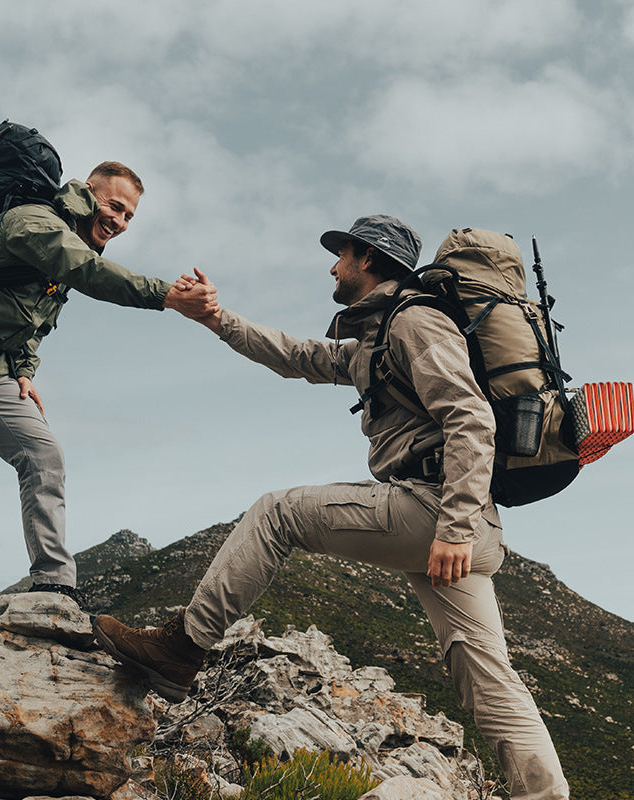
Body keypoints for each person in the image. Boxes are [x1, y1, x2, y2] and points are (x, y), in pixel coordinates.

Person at [92, 215, 570, 800]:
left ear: (368, 259)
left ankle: (182, 649)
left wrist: (454, 526)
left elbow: (469, 417)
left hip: (439, 511)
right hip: (463, 524)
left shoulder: (415, 321)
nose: (332, 265)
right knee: (488, 676)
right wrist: (217, 318)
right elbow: (297, 355)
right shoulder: (380, 338)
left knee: (278, 513)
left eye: (340, 254)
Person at [0, 161, 218, 596]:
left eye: (130, 216)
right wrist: (166, 295)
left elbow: (33, 321)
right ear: (88, 193)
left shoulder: (71, 245)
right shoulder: (34, 221)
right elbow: (86, 271)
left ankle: (54, 587)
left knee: (45, 458)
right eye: (114, 206)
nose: (119, 221)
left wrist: (23, 370)